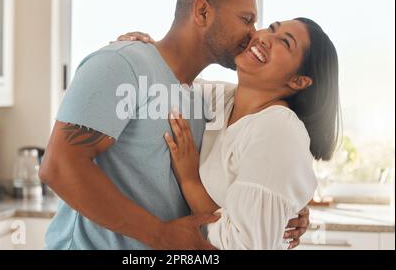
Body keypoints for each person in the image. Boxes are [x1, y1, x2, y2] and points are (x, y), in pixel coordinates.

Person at [39, 0, 310, 250]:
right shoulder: (121, 63)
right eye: (246, 20)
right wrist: (159, 234)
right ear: (203, 12)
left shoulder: (204, 98)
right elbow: (59, 167)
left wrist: (281, 206)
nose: (254, 34)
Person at [119, 17, 340, 249]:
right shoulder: (221, 100)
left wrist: (190, 180)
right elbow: (168, 81)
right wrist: (142, 52)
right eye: (272, 28)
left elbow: (240, 245)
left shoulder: (278, 129)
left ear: (298, 81)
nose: (265, 38)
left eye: (285, 42)